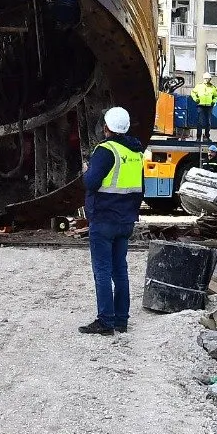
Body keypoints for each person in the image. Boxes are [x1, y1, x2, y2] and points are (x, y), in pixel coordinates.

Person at [79, 106, 145, 337]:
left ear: (106, 127)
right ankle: (121, 320)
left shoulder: (106, 151)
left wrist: (87, 170)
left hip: (104, 219)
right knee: (120, 271)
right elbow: (140, 189)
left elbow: (91, 182)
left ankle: (105, 322)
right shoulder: (136, 153)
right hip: (125, 221)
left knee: (102, 271)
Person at [192, 73, 217, 147]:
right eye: (205, 78)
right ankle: (198, 137)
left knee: (208, 122)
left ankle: (207, 137)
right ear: (203, 78)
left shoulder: (213, 87)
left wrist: (213, 101)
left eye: (208, 79)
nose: (207, 80)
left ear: (210, 79)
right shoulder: (199, 86)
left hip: (209, 106)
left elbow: (216, 96)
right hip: (200, 105)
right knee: (200, 122)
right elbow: (193, 93)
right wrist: (196, 99)